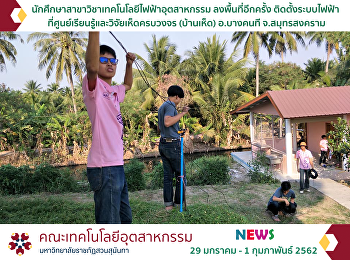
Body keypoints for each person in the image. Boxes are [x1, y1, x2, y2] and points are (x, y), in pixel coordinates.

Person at [83, 32, 136, 224]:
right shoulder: (94, 88)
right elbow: (90, 66)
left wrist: (129, 64)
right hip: (104, 167)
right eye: (104, 59)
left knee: (124, 218)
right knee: (109, 223)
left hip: (117, 164)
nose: (110, 63)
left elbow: (128, 84)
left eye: (113, 60)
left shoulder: (114, 91)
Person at [158, 85, 190, 211]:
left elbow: (160, 127)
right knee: (181, 176)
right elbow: (167, 122)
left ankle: (168, 207)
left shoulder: (163, 106)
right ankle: (179, 205)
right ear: (176, 96)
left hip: (163, 143)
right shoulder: (170, 106)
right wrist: (182, 113)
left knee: (167, 177)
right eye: (180, 99)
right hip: (173, 146)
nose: (179, 101)